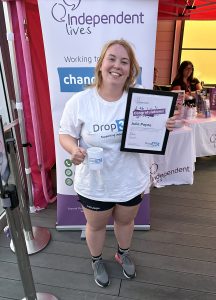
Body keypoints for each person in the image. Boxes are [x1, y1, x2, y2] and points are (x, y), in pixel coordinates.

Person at [59, 39, 176, 288]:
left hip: (130, 180)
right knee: (96, 225)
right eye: (112, 58)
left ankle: (122, 254)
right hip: (95, 182)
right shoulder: (80, 101)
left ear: (130, 70)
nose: (117, 65)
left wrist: (163, 126)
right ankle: (96, 259)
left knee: (125, 221)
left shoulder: (141, 100)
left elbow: (154, 130)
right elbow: (65, 133)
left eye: (125, 62)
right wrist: (74, 149)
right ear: (101, 64)